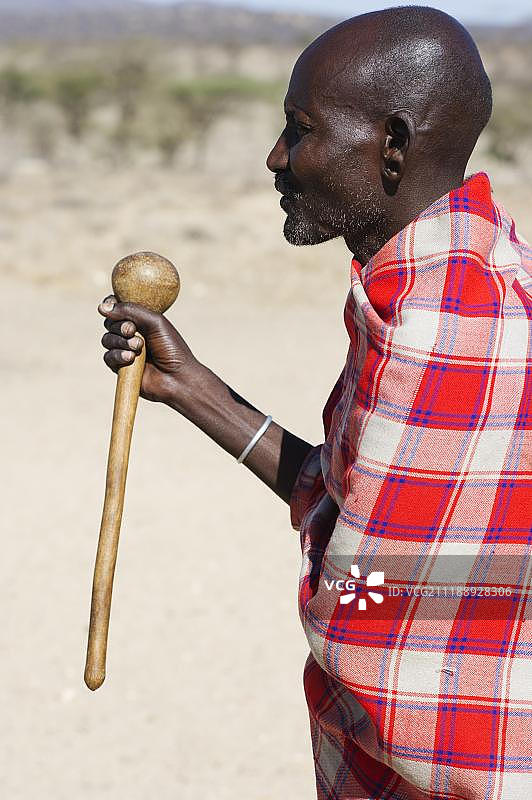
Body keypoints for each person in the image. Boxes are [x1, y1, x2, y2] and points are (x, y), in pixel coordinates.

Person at [98, 7, 532, 798]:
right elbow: (353, 505)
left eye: (300, 129)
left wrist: (335, 578)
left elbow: (374, 598)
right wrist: (190, 388)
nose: (276, 157)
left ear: (393, 145)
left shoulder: (450, 321)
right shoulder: (452, 274)